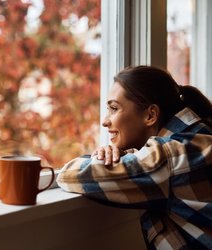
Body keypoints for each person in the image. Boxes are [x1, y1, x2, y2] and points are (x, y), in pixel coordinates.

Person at [56, 65, 212, 250]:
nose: (105, 121)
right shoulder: (199, 136)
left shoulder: (170, 157)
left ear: (150, 115)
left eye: (114, 108)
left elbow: (68, 175)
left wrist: (104, 157)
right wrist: (126, 155)